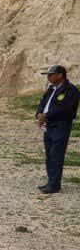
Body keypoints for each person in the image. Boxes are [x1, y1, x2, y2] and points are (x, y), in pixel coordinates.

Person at [36, 64, 78, 194]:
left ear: (60, 75)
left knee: (56, 155)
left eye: (51, 74)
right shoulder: (51, 88)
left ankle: (54, 185)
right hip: (49, 126)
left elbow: (65, 109)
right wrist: (39, 114)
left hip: (60, 126)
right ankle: (51, 182)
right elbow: (43, 102)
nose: (48, 77)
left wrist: (46, 116)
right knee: (49, 155)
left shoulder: (70, 90)